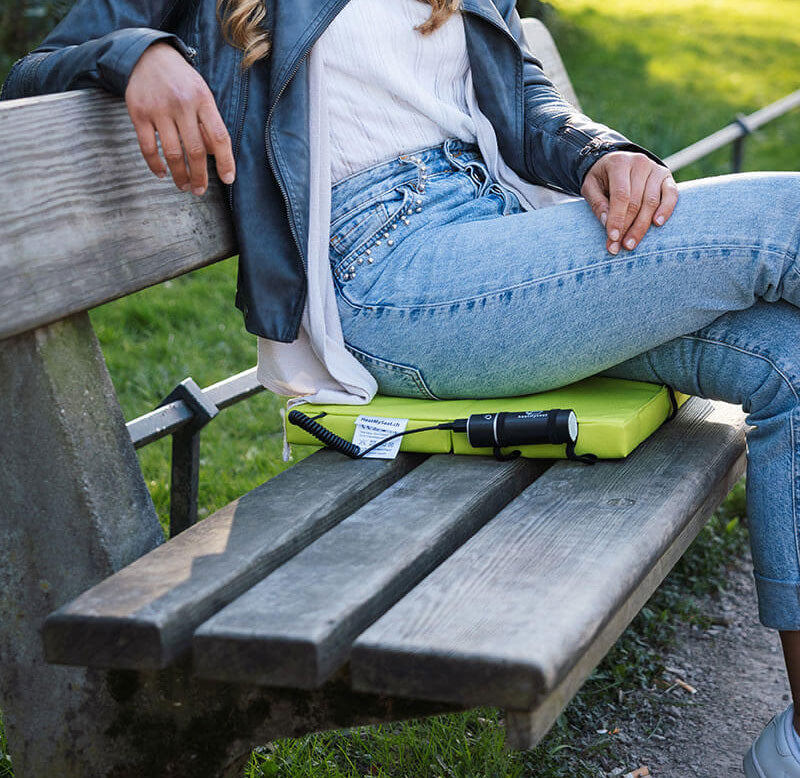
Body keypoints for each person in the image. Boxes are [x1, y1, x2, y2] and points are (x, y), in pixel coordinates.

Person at [2, 0, 799, 773]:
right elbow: (37, 69)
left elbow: (519, 89)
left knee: (788, 357)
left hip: (497, 237)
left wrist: (597, 151)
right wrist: (141, 53)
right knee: (783, 216)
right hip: (391, 277)